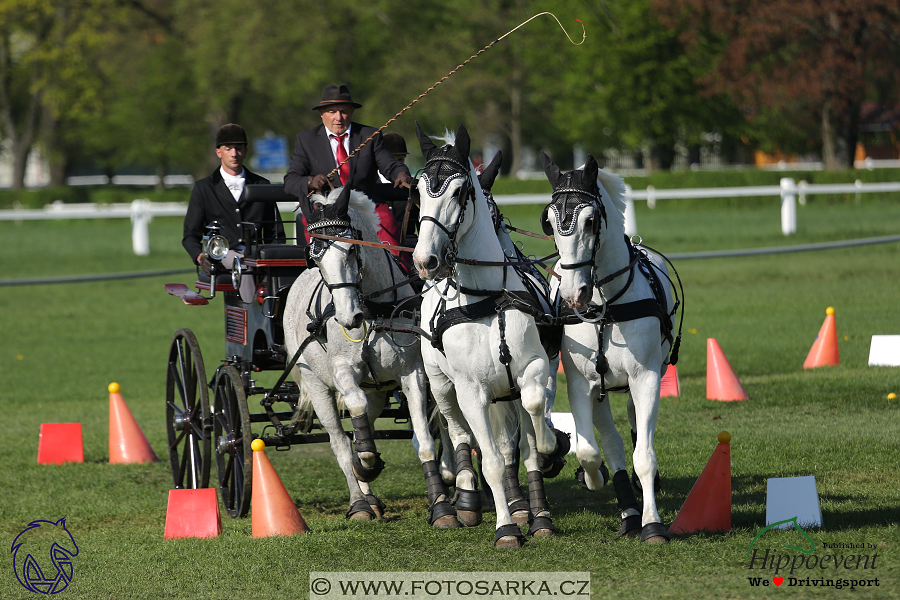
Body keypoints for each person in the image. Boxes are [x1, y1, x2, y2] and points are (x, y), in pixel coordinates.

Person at [283, 84, 411, 248]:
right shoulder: (306, 140)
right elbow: (291, 181)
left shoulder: (370, 135)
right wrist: (311, 181)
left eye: (343, 111)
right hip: (325, 210)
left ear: (351, 112)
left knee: (392, 244)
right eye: (332, 112)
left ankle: (400, 270)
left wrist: (401, 173)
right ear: (322, 114)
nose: (338, 117)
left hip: (368, 205)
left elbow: (390, 165)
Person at [182, 123, 285, 273]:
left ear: (245, 151)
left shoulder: (262, 185)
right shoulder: (204, 188)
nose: (234, 154)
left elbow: (275, 233)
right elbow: (190, 235)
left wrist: (274, 258)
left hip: (258, 254)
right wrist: (200, 257)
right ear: (219, 152)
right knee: (243, 265)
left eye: (238, 148)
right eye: (228, 149)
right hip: (221, 255)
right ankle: (249, 298)